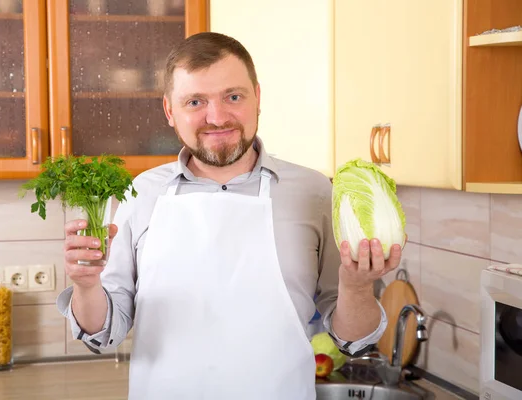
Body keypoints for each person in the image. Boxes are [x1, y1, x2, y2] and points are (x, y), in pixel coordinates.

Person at [56, 32, 403, 400]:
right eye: (195, 101)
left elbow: (351, 339)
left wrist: (357, 286)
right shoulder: (140, 193)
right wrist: (86, 285)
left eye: (233, 97)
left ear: (257, 98)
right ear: (170, 111)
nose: (217, 117)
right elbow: (103, 330)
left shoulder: (316, 193)